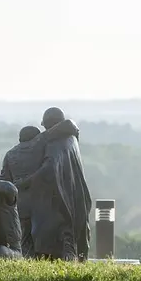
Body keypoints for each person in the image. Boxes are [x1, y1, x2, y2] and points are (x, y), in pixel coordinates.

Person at [13, 107, 92, 261]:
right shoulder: (71, 138)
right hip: (75, 194)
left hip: (61, 197)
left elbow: (49, 168)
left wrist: (25, 182)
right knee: (74, 235)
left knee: (61, 237)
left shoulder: (56, 142)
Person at [0, 125, 42, 257]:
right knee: (41, 236)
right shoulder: (41, 151)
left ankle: (27, 263)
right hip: (41, 201)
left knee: (24, 237)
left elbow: (4, 181)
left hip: (19, 202)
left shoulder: (10, 154)